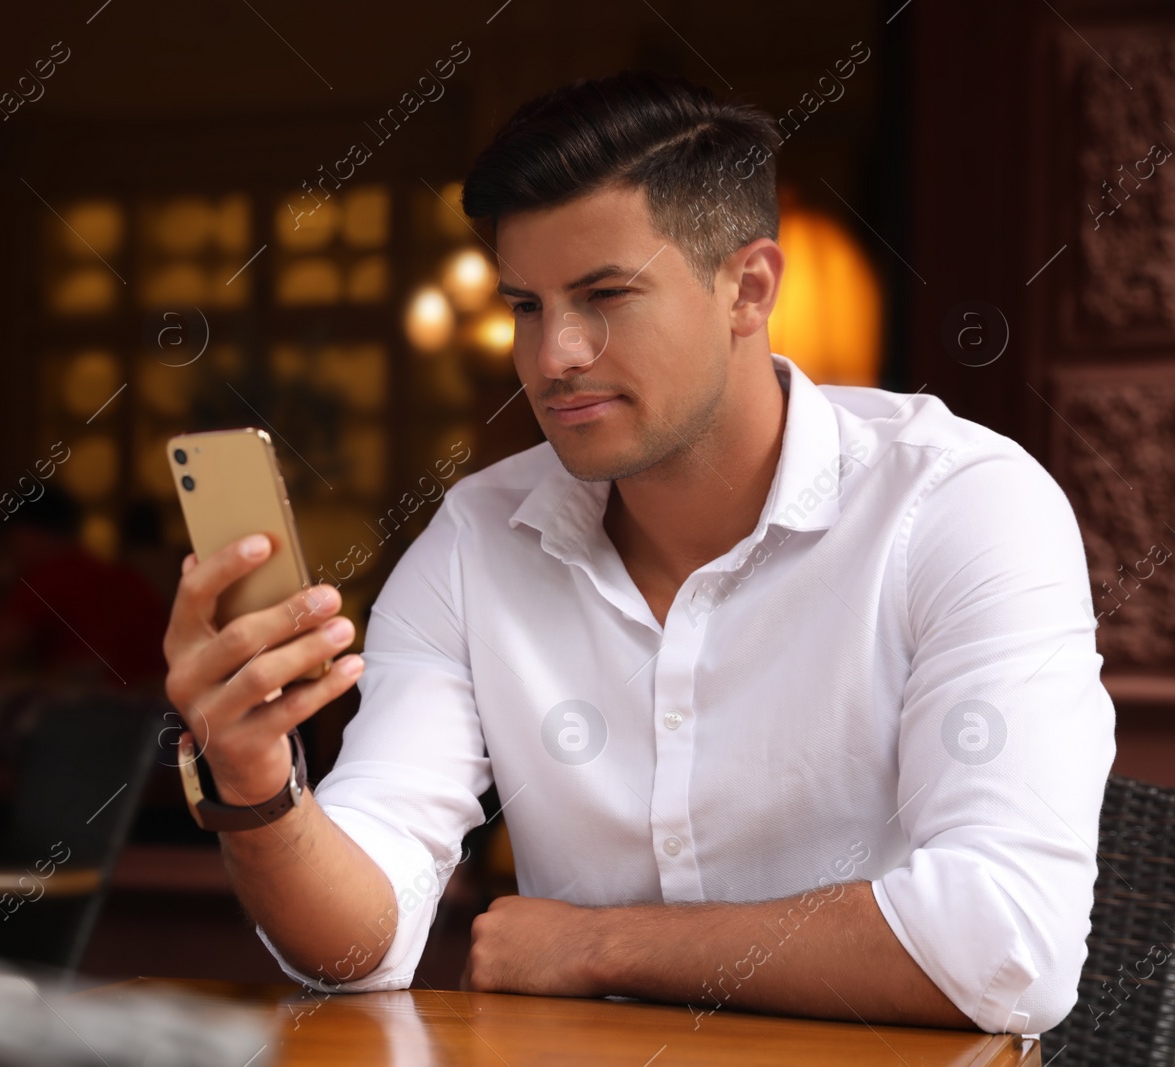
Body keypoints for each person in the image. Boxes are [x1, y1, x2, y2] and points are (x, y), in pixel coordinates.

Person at [160, 70, 1113, 1035]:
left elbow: (1007, 944)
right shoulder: (473, 539)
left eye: (605, 295)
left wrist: (593, 945)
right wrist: (256, 786)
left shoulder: (961, 506)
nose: (552, 355)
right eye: (525, 305)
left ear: (747, 289)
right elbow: (366, 939)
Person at [0, 488, 168, 696]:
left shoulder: (51, 579)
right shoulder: (110, 574)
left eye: (7, 542)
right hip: (150, 732)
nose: (5, 558)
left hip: (99, 734)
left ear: (24, 535)